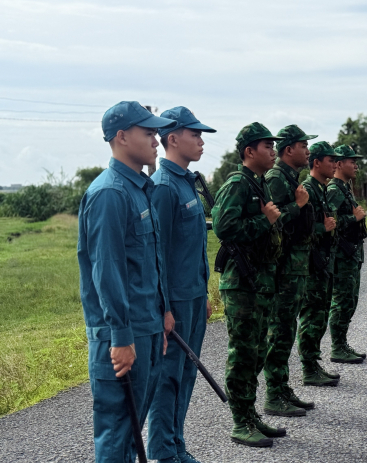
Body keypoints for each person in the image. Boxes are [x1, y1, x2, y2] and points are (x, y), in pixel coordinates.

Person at [78, 101, 175, 463]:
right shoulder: (110, 194)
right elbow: (107, 272)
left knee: (134, 432)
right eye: (148, 133)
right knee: (118, 431)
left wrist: (163, 312)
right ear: (122, 137)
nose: (156, 140)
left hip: (147, 328)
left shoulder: (139, 188)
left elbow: (149, 261)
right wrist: (120, 337)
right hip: (123, 334)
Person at [146, 106, 215, 463]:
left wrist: (202, 294)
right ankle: (162, 451)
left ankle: (176, 445)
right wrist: (165, 308)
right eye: (195, 134)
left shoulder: (186, 183)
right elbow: (157, 253)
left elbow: (192, 247)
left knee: (186, 373)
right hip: (173, 301)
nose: (201, 141)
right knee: (169, 377)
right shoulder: (163, 187)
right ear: (173, 139)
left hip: (193, 297)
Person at [210, 122, 286, 447]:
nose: (273, 151)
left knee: (257, 353)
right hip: (240, 283)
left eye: (274, 146)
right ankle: (240, 422)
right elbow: (223, 227)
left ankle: (250, 414)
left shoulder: (260, 183)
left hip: (258, 280)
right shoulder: (238, 183)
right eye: (267, 146)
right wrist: (264, 220)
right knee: (243, 353)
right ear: (249, 152)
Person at [262, 124, 317, 416]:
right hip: (283, 269)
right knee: (279, 330)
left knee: (287, 328)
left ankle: (282, 388)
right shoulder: (276, 178)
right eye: (303, 145)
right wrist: (298, 206)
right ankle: (273, 395)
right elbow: (275, 221)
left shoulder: (289, 176)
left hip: (294, 267)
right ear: (289, 149)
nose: (307, 151)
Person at [297, 141, 343, 382]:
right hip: (311, 264)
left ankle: (313, 363)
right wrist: (322, 228)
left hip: (323, 262)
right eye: (331, 160)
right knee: (312, 316)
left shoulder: (322, 189)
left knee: (321, 314)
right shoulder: (308, 189)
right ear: (317, 163)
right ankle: (308, 368)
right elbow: (297, 227)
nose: (335, 164)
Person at [326, 144, 367, 363]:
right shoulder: (333, 189)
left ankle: (342, 343)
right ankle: (337, 347)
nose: (356, 166)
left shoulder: (344, 188)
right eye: (352, 162)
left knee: (350, 300)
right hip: (342, 256)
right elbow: (329, 221)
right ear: (339, 164)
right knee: (342, 300)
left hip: (352, 254)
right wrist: (355, 218)